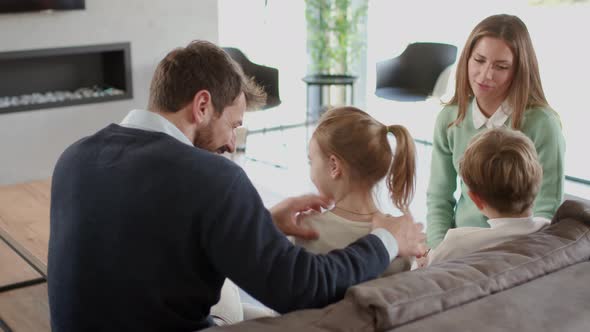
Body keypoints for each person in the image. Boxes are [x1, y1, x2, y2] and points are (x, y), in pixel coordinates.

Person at [48, 40, 426, 331]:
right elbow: (304, 289)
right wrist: (386, 239)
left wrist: (258, 222)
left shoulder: (74, 158)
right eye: (233, 124)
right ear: (201, 106)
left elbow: (146, 236)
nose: (232, 143)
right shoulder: (211, 177)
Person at [426, 14, 565, 249]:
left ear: (519, 70)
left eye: (501, 67)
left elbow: (546, 209)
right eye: (479, 60)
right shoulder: (450, 118)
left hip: (516, 251)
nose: (485, 75)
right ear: (467, 58)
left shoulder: (543, 124)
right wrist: (438, 251)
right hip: (462, 246)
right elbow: (439, 199)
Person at [293, 107, 417, 275]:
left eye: (311, 161)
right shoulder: (404, 236)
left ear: (334, 166)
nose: (311, 170)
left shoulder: (304, 231)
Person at [420, 127, 549, 266]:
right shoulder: (551, 230)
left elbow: (425, 276)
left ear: (476, 200)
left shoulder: (457, 244)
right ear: (538, 182)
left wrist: (421, 262)